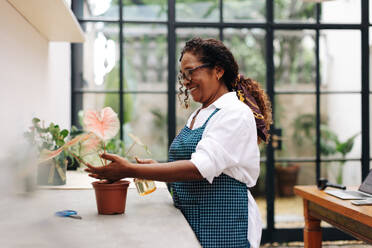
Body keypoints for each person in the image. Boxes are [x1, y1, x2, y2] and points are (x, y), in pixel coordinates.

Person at [85, 37, 272, 248]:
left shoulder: (234, 113)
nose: (185, 81)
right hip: (193, 219)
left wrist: (131, 170)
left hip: (224, 224)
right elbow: (190, 167)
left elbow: (198, 169)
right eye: (183, 75)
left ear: (218, 71)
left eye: (191, 72)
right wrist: (156, 168)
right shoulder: (198, 115)